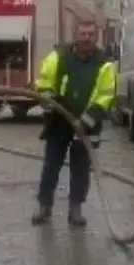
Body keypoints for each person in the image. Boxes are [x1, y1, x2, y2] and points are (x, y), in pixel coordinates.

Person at [30, 19, 116, 227]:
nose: (87, 38)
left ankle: (75, 208)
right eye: (83, 33)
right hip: (60, 120)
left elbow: (105, 96)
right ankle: (44, 205)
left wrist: (85, 121)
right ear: (74, 34)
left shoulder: (104, 63)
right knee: (51, 165)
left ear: (96, 37)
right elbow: (44, 82)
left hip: (87, 124)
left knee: (80, 168)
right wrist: (47, 98)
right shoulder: (58, 57)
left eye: (91, 34)